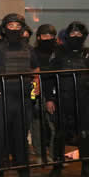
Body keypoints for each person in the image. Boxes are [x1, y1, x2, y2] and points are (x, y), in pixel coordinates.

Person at [45, 22, 89, 177]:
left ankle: (86, 168)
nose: (76, 37)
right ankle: (57, 167)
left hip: (83, 100)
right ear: (67, 35)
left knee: (84, 134)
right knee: (60, 134)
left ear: (84, 36)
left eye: (79, 34)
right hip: (62, 100)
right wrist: (49, 98)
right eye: (73, 34)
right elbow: (48, 78)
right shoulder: (58, 53)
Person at [0, 13, 40, 177]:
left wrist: (36, 86)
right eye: (11, 26)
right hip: (3, 99)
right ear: (5, 27)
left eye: (18, 26)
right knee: (0, 139)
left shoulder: (29, 49)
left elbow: (36, 70)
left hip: (23, 99)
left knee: (21, 139)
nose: (14, 29)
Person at [31, 24, 58, 163]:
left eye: (51, 36)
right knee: (37, 124)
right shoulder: (33, 52)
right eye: (45, 35)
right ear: (39, 37)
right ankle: (40, 154)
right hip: (37, 93)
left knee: (55, 126)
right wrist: (33, 95)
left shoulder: (58, 52)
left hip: (55, 93)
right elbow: (32, 74)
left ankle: (55, 154)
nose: (48, 38)